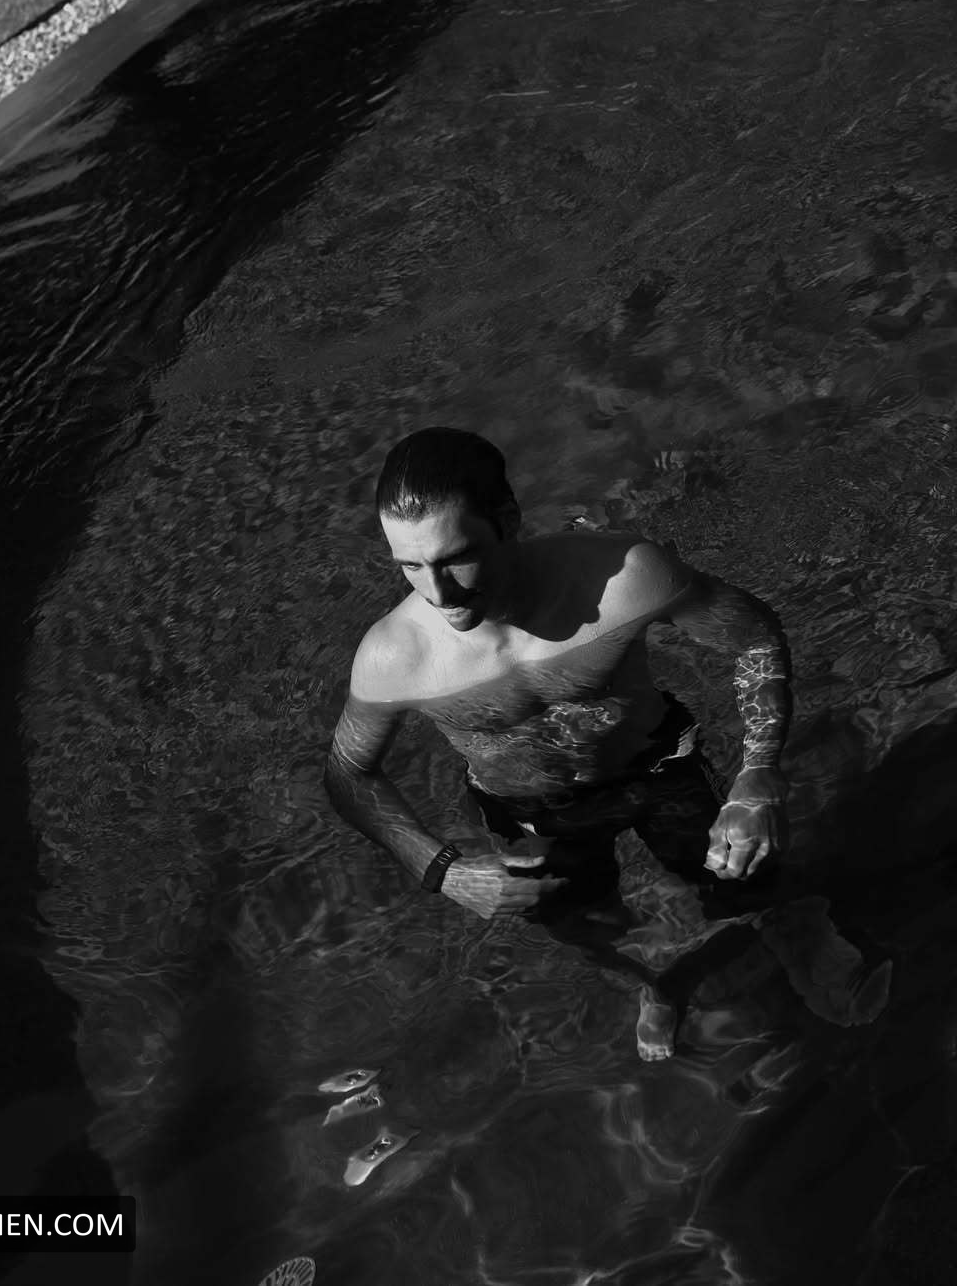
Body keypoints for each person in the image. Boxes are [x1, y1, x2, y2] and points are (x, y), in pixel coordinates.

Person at [324, 427, 792, 1059]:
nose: (438, 594)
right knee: (584, 926)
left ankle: (786, 935)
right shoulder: (394, 657)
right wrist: (442, 870)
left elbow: (754, 638)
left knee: (745, 881)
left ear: (509, 520)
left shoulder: (626, 579)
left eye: (455, 558)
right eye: (410, 566)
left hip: (658, 766)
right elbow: (349, 772)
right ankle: (654, 985)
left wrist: (758, 773)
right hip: (531, 811)